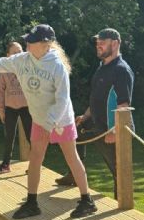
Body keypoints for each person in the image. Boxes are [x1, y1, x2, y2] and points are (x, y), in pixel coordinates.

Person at [0, 24, 97, 220]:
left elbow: (63, 100)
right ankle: (32, 203)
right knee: (35, 159)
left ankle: (87, 201)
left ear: (46, 44)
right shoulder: (21, 60)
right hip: (40, 120)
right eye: (27, 41)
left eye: (31, 41)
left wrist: (50, 123)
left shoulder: (57, 66)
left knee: (71, 158)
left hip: (61, 121)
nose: (27, 44)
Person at [56, 28, 134, 200]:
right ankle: (73, 175)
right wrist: (85, 117)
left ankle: (122, 207)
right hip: (97, 125)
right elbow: (97, 98)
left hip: (113, 129)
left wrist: (115, 130)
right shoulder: (102, 68)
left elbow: (124, 104)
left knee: (119, 172)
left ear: (115, 43)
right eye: (97, 42)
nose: (98, 45)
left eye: (102, 42)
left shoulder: (121, 70)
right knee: (75, 132)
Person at [0, 41, 32, 174]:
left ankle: (35, 165)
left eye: (20, 52)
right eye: (14, 52)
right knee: (9, 137)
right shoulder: (4, 71)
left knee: (31, 137)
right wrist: (0, 110)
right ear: (8, 55)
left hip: (27, 108)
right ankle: (5, 165)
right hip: (10, 108)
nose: (18, 54)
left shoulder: (29, 68)